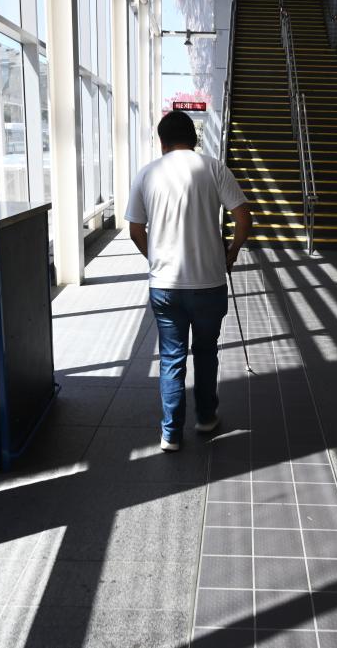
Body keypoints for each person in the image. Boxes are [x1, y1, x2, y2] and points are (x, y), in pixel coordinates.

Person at [125, 111, 253, 452]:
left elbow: (136, 231)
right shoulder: (213, 168)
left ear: (162, 141)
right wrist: (232, 251)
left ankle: (170, 433)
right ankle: (206, 417)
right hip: (209, 283)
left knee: (172, 357)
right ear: (194, 139)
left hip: (165, 286)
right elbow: (243, 216)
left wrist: (155, 258)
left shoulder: (146, 174)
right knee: (206, 351)